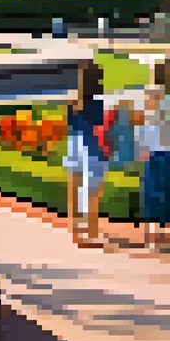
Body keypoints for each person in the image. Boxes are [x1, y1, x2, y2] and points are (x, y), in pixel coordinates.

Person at [64, 61, 108, 248]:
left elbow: (70, 125)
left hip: (74, 143)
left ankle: (75, 231)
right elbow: (101, 127)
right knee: (92, 193)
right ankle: (92, 232)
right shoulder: (98, 104)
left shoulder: (73, 101)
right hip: (91, 146)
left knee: (74, 189)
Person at [141, 62, 170, 251]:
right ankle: (161, 235)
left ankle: (151, 238)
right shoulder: (165, 98)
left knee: (151, 192)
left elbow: (146, 122)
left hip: (151, 148)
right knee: (165, 192)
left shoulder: (149, 95)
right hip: (166, 148)